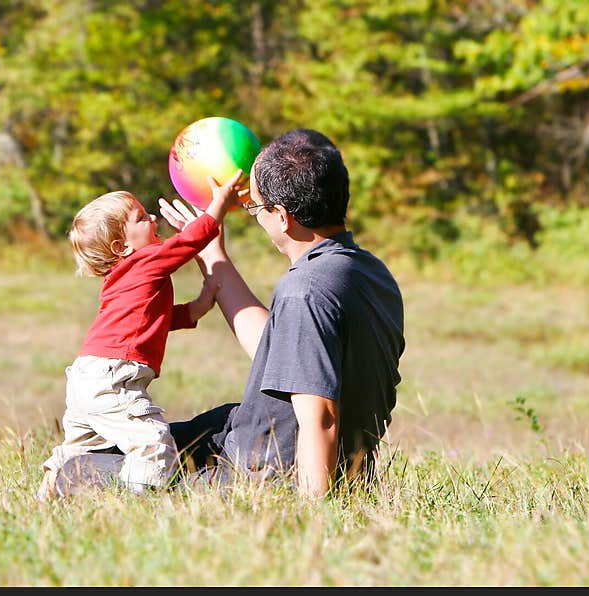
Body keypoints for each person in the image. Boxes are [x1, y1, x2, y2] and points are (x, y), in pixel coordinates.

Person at [158, 128, 405, 497]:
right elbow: (284, 352)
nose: (256, 217)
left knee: (87, 467)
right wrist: (212, 254)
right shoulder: (368, 273)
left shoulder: (304, 290)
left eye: (256, 208)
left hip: (264, 474)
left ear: (283, 216)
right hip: (265, 443)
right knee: (139, 440)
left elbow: (320, 419)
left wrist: (312, 518)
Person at [36, 170, 245, 500]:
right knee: (152, 441)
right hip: (112, 377)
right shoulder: (144, 261)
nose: (150, 216)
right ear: (122, 246)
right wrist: (218, 204)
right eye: (140, 217)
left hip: (87, 377)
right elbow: (190, 242)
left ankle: (48, 493)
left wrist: (195, 308)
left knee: (77, 449)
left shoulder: (123, 276)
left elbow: (148, 318)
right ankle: (139, 502)